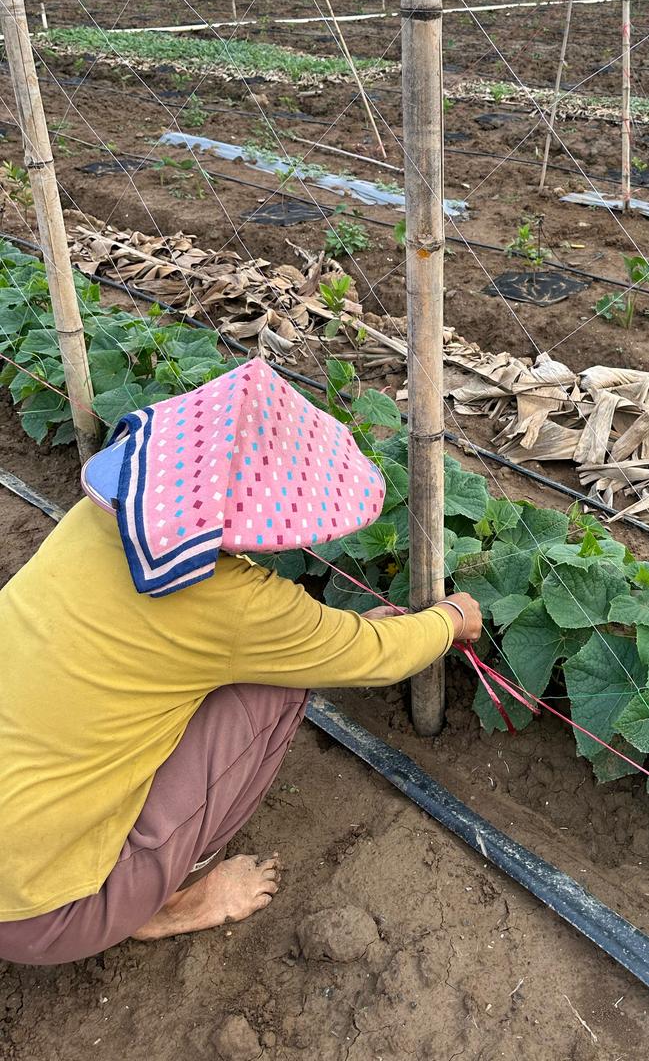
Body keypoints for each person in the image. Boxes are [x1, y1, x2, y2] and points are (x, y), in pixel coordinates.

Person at [0, 359, 481, 966]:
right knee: (274, 688)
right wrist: (448, 620)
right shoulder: (238, 607)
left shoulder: (101, 518)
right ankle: (167, 902)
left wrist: (334, 635)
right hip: (40, 911)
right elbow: (376, 657)